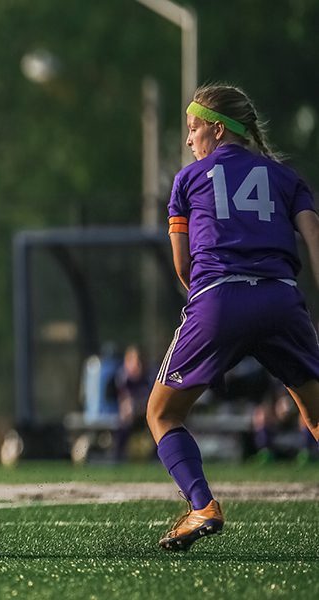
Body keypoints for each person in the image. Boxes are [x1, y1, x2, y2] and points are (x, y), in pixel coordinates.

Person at [148, 83, 319, 552]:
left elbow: (183, 268)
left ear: (218, 129)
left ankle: (202, 506)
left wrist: (215, 317)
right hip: (282, 300)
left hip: (219, 299)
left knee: (162, 414)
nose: (189, 140)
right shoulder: (288, 178)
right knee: (315, 414)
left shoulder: (187, 180)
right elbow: (314, 239)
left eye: (194, 127)